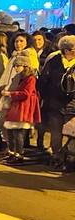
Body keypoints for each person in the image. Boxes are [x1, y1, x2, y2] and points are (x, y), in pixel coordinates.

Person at [38, 35, 75, 167]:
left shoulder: (53, 61)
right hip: (56, 103)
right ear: (66, 49)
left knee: (68, 132)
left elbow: (42, 82)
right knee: (56, 132)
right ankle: (58, 157)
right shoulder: (54, 61)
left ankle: (65, 156)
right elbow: (43, 82)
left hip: (69, 104)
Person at [1, 54, 41, 164]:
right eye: (15, 66)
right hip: (16, 106)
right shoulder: (20, 77)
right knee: (10, 130)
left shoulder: (30, 79)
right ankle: (12, 152)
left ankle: (19, 154)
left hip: (23, 107)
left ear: (25, 66)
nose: (16, 68)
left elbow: (26, 94)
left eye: (18, 66)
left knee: (18, 132)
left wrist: (10, 94)